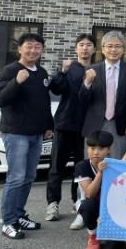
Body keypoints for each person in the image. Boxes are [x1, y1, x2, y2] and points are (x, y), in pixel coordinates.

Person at [0, 33, 54, 240]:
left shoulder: (42, 72)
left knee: (28, 177)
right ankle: (8, 222)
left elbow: (44, 102)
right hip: (15, 133)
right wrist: (16, 82)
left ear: (42, 50)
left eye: (37, 47)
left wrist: (48, 125)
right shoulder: (10, 70)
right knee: (16, 177)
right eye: (29, 46)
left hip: (36, 133)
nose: (33, 50)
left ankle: (19, 215)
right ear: (20, 49)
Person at [45, 33, 94, 227]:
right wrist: (62, 72)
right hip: (65, 123)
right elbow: (56, 89)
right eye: (81, 45)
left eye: (88, 45)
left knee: (81, 167)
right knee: (57, 166)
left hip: (86, 126)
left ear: (94, 49)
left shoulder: (97, 69)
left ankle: (77, 201)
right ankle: (53, 203)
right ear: (76, 48)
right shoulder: (70, 67)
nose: (85, 48)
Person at [79, 30, 126, 159]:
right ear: (103, 49)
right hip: (94, 123)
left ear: (123, 49)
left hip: (119, 124)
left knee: (117, 162)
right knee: (93, 162)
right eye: (110, 46)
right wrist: (87, 83)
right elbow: (82, 100)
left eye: (118, 46)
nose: (113, 50)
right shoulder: (92, 69)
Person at [74, 131, 113, 249]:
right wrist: (100, 173)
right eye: (92, 148)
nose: (96, 152)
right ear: (87, 149)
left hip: (110, 204)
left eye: (101, 149)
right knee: (88, 205)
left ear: (109, 150)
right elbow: (89, 194)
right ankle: (93, 235)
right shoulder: (82, 166)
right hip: (90, 203)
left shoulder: (114, 165)